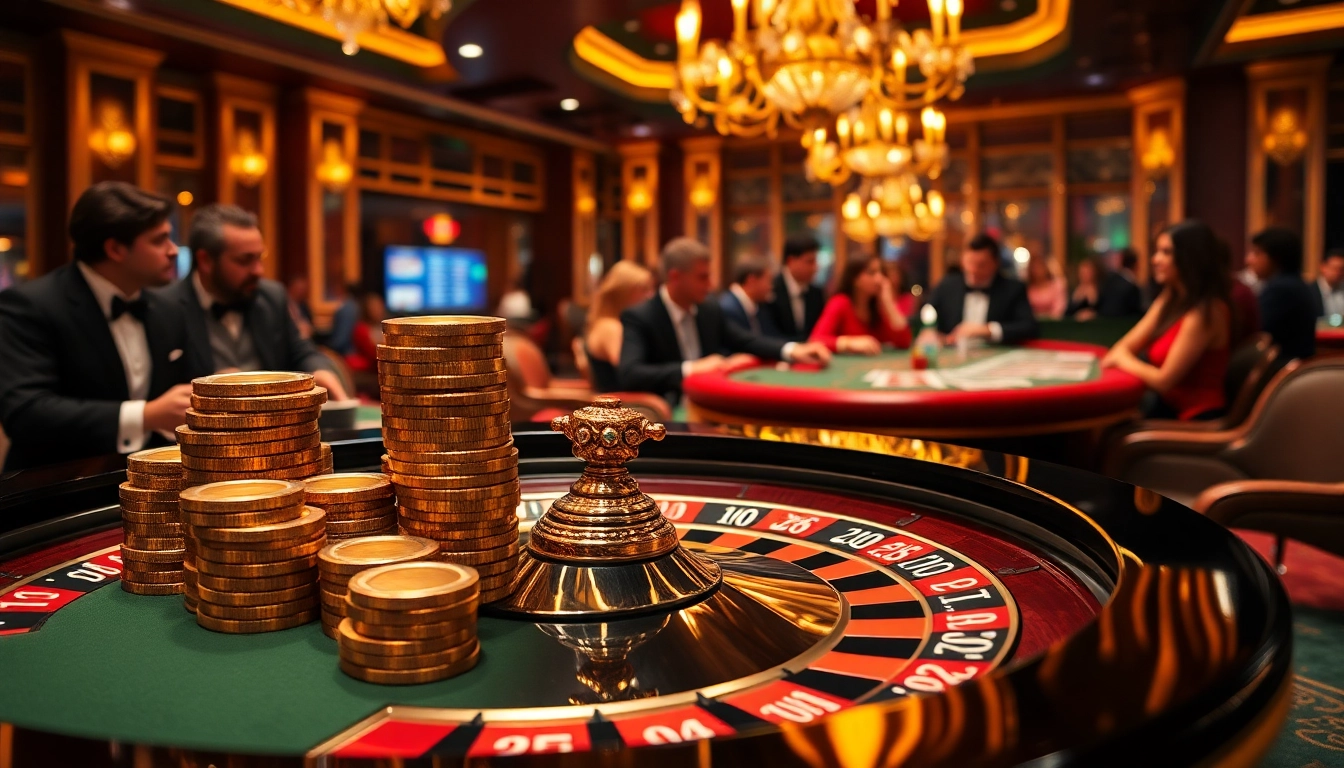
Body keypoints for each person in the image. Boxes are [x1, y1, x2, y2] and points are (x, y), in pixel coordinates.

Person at [0, 182, 194, 471]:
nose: (173, 251)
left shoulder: (166, 307)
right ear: (115, 249)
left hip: (153, 483)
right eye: (159, 240)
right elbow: (27, 413)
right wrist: (144, 415)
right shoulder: (29, 306)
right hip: (56, 489)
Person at [163, 203, 348, 400]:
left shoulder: (271, 296)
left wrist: (319, 371)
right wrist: (212, 389)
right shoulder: (166, 307)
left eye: (259, 258)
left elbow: (302, 353)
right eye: (245, 260)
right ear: (205, 260)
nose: (258, 271)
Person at [619, 238, 830, 403]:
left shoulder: (708, 309)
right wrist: (692, 368)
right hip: (666, 416)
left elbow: (747, 340)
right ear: (675, 277)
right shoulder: (640, 316)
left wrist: (794, 350)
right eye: (703, 277)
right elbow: (630, 374)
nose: (710, 285)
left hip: (708, 403)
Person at [1102, 220, 1232, 421]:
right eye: (1156, 251)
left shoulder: (1206, 311)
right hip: (1167, 410)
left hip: (1196, 421)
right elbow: (1124, 346)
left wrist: (1123, 359)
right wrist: (1122, 355)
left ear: (1189, 258)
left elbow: (1164, 381)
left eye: (1166, 252)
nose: (1155, 260)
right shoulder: (1170, 298)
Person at [924, 233, 1038, 344]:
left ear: (995, 263)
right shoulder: (947, 285)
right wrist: (929, 331)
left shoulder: (1013, 288)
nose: (973, 270)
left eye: (981, 265)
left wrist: (987, 330)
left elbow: (1029, 327)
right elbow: (926, 311)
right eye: (970, 263)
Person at [809, 255, 912, 354]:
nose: (880, 279)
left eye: (881, 273)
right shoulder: (840, 302)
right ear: (855, 279)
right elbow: (816, 340)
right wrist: (849, 343)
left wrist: (888, 302)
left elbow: (904, 342)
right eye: (871, 273)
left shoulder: (878, 306)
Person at [584, 261, 655, 393]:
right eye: (644, 290)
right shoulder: (611, 328)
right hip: (621, 407)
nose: (651, 296)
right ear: (624, 293)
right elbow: (632, 376)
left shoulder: (606, 323)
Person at [1245, 228, 1316, 360]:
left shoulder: (1281, 288)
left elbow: (1252, 330)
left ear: (1276, 258)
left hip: (1285, 369)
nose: (1249, 260)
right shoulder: (1295, 283)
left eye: (1256, 253)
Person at [766, 234, 826, 341]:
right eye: (810, 262)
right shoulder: (770, 289)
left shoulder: (816, 293)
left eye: (816, 261)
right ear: (790, 261)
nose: (816, 267)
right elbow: (768, 334)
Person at [719, 253, 783, 339]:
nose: (771, 286)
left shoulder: (760, 307)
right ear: (751, 280)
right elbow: (747, 344)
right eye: (768, 280)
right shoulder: (728, 308)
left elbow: (772, 338)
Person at [1067, 256, 1142, 320]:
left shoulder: (1105, 288)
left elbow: (1110, 311)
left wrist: (1094, 305)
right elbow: (1067, 314)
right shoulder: (1076, 291)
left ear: (1095, 272)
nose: (1084, 275)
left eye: (1087, 272)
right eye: (1082, 272)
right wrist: (1076, 300)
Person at [346, 289, 385, 398]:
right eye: (374, 307)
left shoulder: (381, 327)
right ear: (367, 309)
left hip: (376, 369)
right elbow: (374, 354)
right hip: (365, 371)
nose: (378, 310)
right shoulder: (361, 328)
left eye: (380, 306)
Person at [1024, 250, 1067, 319]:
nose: (1037, 271)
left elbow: (1059, 308)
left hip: (1053, 325)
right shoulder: (1027, 287)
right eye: (1034, 267)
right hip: (1032, 324)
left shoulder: (1057, 285)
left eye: (1039, 266)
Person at [326, 283, 359, 356]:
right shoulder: (355, 306)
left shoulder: (346, 309)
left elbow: (340, 340)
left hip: (346, 354)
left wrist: (327, 349)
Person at [1313, 248, 1344, 318]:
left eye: (1341, 269)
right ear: (1323, 267)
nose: (1338, 273)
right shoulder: (1310, 292)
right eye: (1335, 268)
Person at [286, 274, 313, 340]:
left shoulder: (304, 305)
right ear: (292, 288)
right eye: (300, 289)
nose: (303, 292)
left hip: (306, 339)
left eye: (304, 289)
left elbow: (311, 322)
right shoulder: (284, 304)